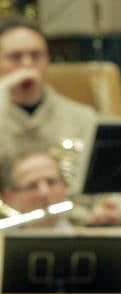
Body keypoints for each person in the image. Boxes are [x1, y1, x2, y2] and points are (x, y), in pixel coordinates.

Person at [0, 17, 97, 180]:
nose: (27, 64)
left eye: (36, 56)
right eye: (15, 57)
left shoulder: (83, 119)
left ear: (48, 60)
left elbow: (107, 183)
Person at [1, 149, 121, 228]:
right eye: (32, 186)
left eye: (51, 182)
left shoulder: (87, 229)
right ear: (9, 196)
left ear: (64, 186)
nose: (44, 192)